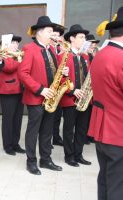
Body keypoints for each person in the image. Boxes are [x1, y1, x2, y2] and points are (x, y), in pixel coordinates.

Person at [18, 16, 66, 175]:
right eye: (50, 31)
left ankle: (45, 159)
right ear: (39, 33)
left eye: (53, 31)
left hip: (51, 97)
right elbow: (23, 74)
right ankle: (31, 161)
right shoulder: (29, 48)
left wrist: (63, 71)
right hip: (36, 98)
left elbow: (54, 70)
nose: (53, 34)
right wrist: (40, 89)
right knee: (33, 130)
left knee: (47, 130)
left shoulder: (51, 49)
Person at [88, 6, 123, 200]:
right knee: (118, 187)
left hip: (102, 129)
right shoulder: (120, 58)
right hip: (118, 131)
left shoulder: (101, 54)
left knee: (106, 180)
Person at [60, 24, 91, 167]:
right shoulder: (64, 56)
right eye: (81, 37)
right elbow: (60, 78)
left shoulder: (85, 56)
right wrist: (72, 91)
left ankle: (78, 154)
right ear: (72, 38)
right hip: (70, 98)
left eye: (84, 37)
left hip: (85, 98)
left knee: (82, 129)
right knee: (68, 129)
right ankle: (69, 155)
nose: (84, 40)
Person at [0, 34, 25, 156]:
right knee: (8, 120)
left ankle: (15, 143)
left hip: (20, 90)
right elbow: (9, 68)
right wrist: (20, 61)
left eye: (17, 43)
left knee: (18, 119)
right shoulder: (3, 55)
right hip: (7, 91)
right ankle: (8, 146)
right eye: (13, 43)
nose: (15, 45)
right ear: (6, 44)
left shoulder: (17, 55)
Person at [50, 25, 66, 147]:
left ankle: (55, 136)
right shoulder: (48, 48)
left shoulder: (60, 48)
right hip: (50, 86)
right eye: (54, 35)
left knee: (57, 115)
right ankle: (47, 138)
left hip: (59, 86)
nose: (56, 37)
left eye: (58, 35)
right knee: (49, 116)